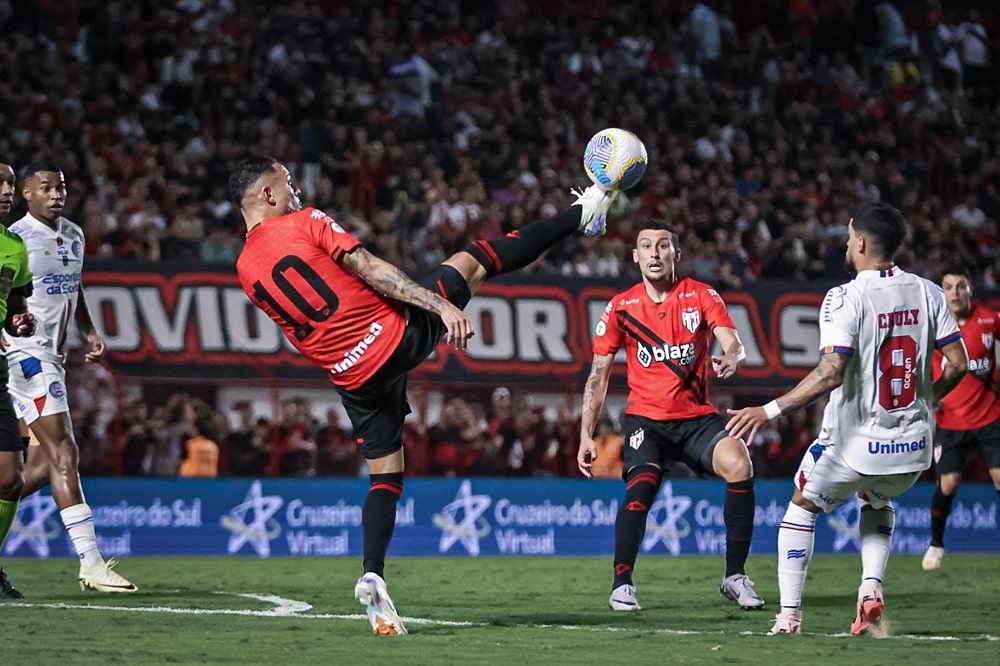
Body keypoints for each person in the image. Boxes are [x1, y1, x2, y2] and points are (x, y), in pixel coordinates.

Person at [231, 156, 617, 635]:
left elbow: (300, 331)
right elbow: (369, 267)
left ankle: (373, 575)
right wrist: (438, 304)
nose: (295, 190)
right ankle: (584, 213)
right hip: (395, 335)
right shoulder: (305, 222)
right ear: (268, 195)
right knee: (475, 259)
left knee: (385, 478)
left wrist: (346, 358)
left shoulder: (245, 268)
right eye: (286, 183)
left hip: (352, 377)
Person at [726, 201, 968, 637]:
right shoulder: (930, 292)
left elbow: (831, 371)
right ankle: (870, 589)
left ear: (859, 241)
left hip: (857, 447)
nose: (845, 241)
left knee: (800, 509)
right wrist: (925, 400)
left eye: (848, 234)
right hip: (912, 453)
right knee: (877, 500)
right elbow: (957, 363)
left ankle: (789, 616)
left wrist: (769, 409)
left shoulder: (845, 297)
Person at [577, 219, 763, 613]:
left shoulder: (701, 295)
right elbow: (598, 375)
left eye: (663, 246)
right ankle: (622, 583)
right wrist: (585, 433)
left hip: (696, 419)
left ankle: (735, 576)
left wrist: (731, 357)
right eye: (646, 246)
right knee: (641, 486)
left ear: (676, 253)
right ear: (636, 256)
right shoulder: (621, 308)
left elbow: (732, 340)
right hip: (646, 421)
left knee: (739, 462)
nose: (654, 253)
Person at [6, 163, 138, 593]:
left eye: (61, 186)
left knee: (36, 468)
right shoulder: (17, 238)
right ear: (27, 194)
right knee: (65, 452)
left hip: (54, 356)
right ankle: (91, 562)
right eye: (45, 187)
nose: (56, 194)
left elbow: (72, 285)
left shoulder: (75, 235)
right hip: (28, 356)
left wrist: (90, 329)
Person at [922, 266, 1000, 570]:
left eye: (960, 286)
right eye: (949, 287)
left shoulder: (989, 320)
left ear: (970, 290)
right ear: (941, 292)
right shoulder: (933, 328)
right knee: (949, 485)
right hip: (950, 421)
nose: (954, 293)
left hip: (990, 418)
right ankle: (936, 544)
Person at [0, 162, 37, 599]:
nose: (7, 190)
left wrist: (20, 324)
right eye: (1, 183)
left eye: (10, 183)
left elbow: (14, 311)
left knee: (10, 476)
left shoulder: (14, 245)